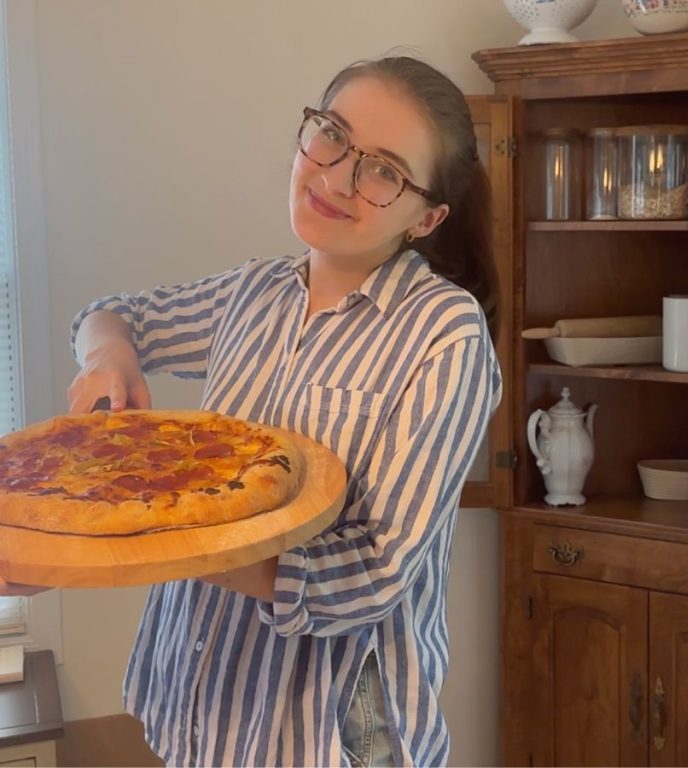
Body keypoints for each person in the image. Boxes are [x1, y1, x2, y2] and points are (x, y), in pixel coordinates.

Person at [29, 55, 500, 766]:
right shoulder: (253, 293)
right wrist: (109, 359)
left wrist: (143, 542)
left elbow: (374, 570)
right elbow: (112, 316)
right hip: (196, 708)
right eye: (332, 135)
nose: (337, 177)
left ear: (427, 216)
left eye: (384, 172)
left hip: (327, 736)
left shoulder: (444, 333)